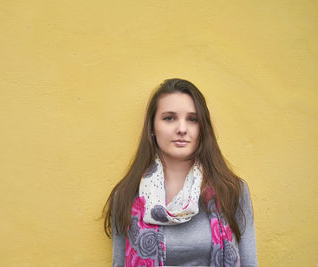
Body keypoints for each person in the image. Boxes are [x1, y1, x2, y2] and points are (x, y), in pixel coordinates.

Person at [103, 78, 257, 267]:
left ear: (203, 128)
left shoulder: (232, 190)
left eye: (192, 119)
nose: (182, 129)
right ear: (152, 127)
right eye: (169, 118)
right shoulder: (127, 194)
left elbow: (250, 263)